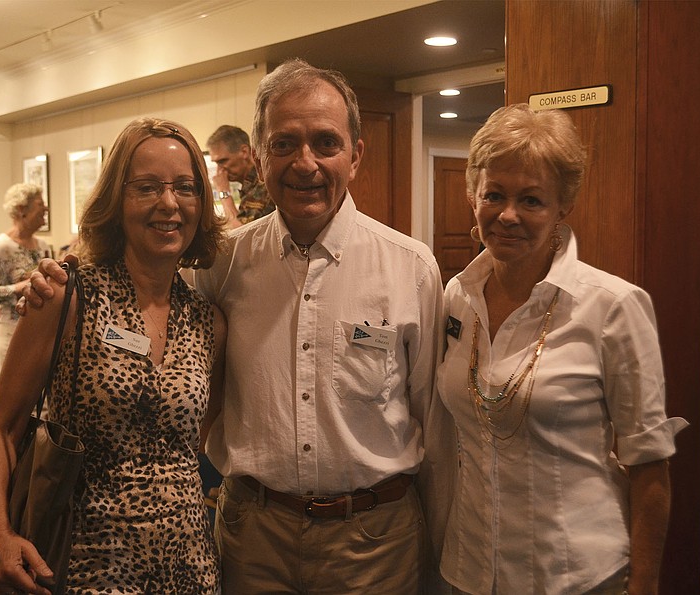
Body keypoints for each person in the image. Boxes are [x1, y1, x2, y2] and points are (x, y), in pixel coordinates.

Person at [24, 59, 455, 594]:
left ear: (355, 155)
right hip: (252, 537)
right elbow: (146, 293)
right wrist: (60, 281)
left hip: (373, 544)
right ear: (258, 156)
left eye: (326, 143)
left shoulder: (411, 268)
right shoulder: (219, 264)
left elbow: (433, 426)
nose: (306, 164)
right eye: (284, 144)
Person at [435, 103, 688, 595]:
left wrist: (644, 585)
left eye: (531, 200)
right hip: (469, 569)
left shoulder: (612, 307)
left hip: (574, 575)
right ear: (472, 195)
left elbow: (650, 464)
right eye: (494, 195)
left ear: (562, 206)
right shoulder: (456, 297)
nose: (508, 215)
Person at [0, 117, 227, 594]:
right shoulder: (67, 298)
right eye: (148, 187)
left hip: (189, 562)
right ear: (117, 200)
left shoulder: (208, 320)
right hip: (84, 559)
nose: (169, 204)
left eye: (186, 188)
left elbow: (197, 440)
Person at [0, 182, 50, 375]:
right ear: (22, 209)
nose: (45, 208)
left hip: (41, 334)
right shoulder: (0, 247)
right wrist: (21, 287)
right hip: (11, 334)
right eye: (40, 204)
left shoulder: (43, 246)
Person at [206, 124, 274, 227]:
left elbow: (243, 237)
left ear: (244, 152)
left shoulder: (264, 185)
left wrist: (223, 192)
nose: (219, 170)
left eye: (223, 161)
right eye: (216, 163)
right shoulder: (249, 187)